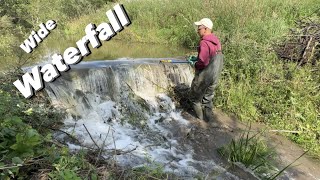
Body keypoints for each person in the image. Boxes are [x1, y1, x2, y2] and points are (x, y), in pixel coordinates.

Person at [187, 18, 223, 122]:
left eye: (199, 28)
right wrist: (197, 58)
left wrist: (195, 63)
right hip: (215, 76)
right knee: (208, 98)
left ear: (205, 29)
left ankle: (201, 121)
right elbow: (211, 56)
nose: (197, 30)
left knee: (195, 99)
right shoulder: (216, 41)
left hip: (205, 76)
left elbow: (203, 63)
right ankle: (210, 120)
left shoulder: (204, 42)